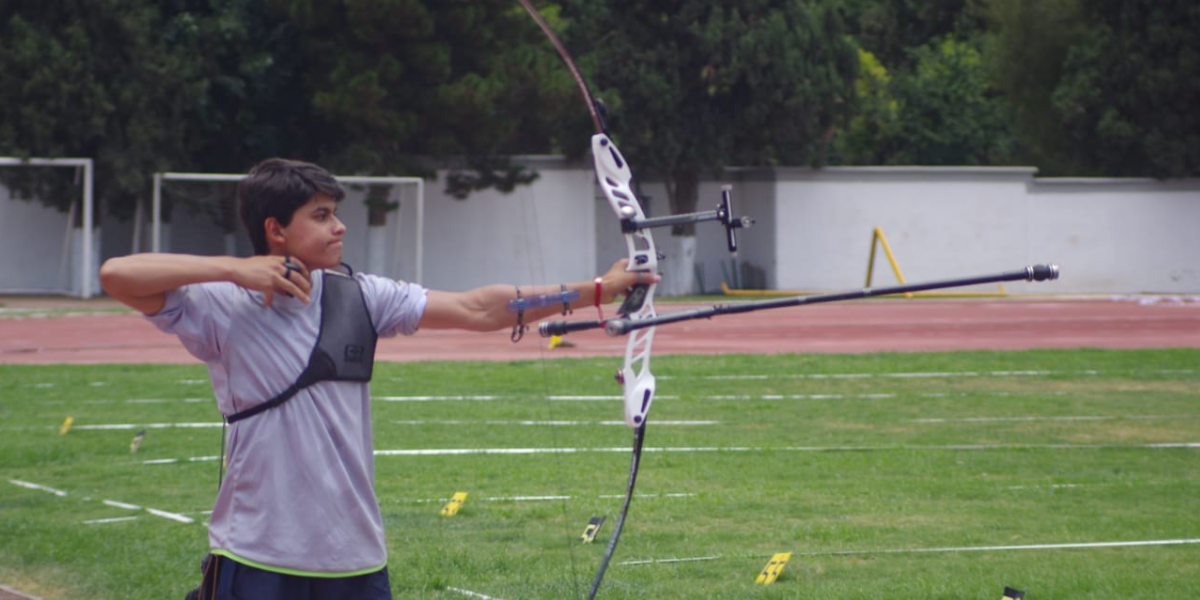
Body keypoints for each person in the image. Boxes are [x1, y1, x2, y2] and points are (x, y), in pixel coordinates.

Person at [99, 158, 652, 600]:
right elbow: (117, 275)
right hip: (256, 553)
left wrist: (596, 288)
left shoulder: (362, 294)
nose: (339, 225)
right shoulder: (223, 303)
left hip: (355, 556)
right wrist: (231, 268)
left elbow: (480, 308)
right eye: (320, 215)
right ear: (276, 230)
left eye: (335, 212)